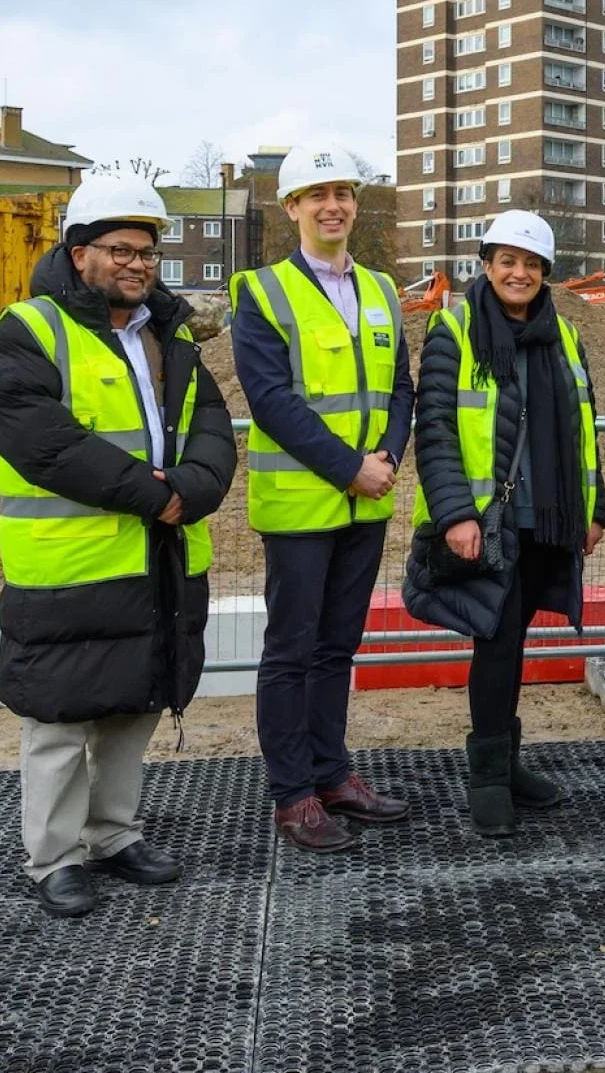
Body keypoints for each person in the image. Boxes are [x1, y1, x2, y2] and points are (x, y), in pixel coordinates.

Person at [0, 170, 236, 918]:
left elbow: (212, 427)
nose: (136, 264)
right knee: (61, 717)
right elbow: (44, 443)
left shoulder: (168, 334)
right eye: (120, 250)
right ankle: (55, 857)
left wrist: (196, 488)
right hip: (71, 564)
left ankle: (114, 834)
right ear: (80, 253)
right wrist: (158, 496)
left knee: (134, 704)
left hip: (157, 557)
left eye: (146, 252)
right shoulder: (29, 330)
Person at [229, 143, 414, 854]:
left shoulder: (381, 290)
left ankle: (333, 775)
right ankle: (293, 795)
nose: (332, 206)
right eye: (317, 195)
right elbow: (271, 400)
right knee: (292, 652)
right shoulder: (263, 292)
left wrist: (387, 456)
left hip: (366, 502)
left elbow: (399, 387)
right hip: (302, 506)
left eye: (343, 193)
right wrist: (350, 469)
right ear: (292, 208)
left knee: (338, 647)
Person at [403, 211, 605, 837]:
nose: (519, 273)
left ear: (546, 272)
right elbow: (435, 428)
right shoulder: (454, 328)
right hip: (484, 521)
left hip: (544, 518)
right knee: (494, 642)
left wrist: (595, 508)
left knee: (513, 639)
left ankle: (508, 764)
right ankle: (488, 777)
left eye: (531, 264)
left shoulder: (563, 335)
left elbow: (582, 425)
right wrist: (455, 515)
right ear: (487, 266)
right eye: (508, 262)